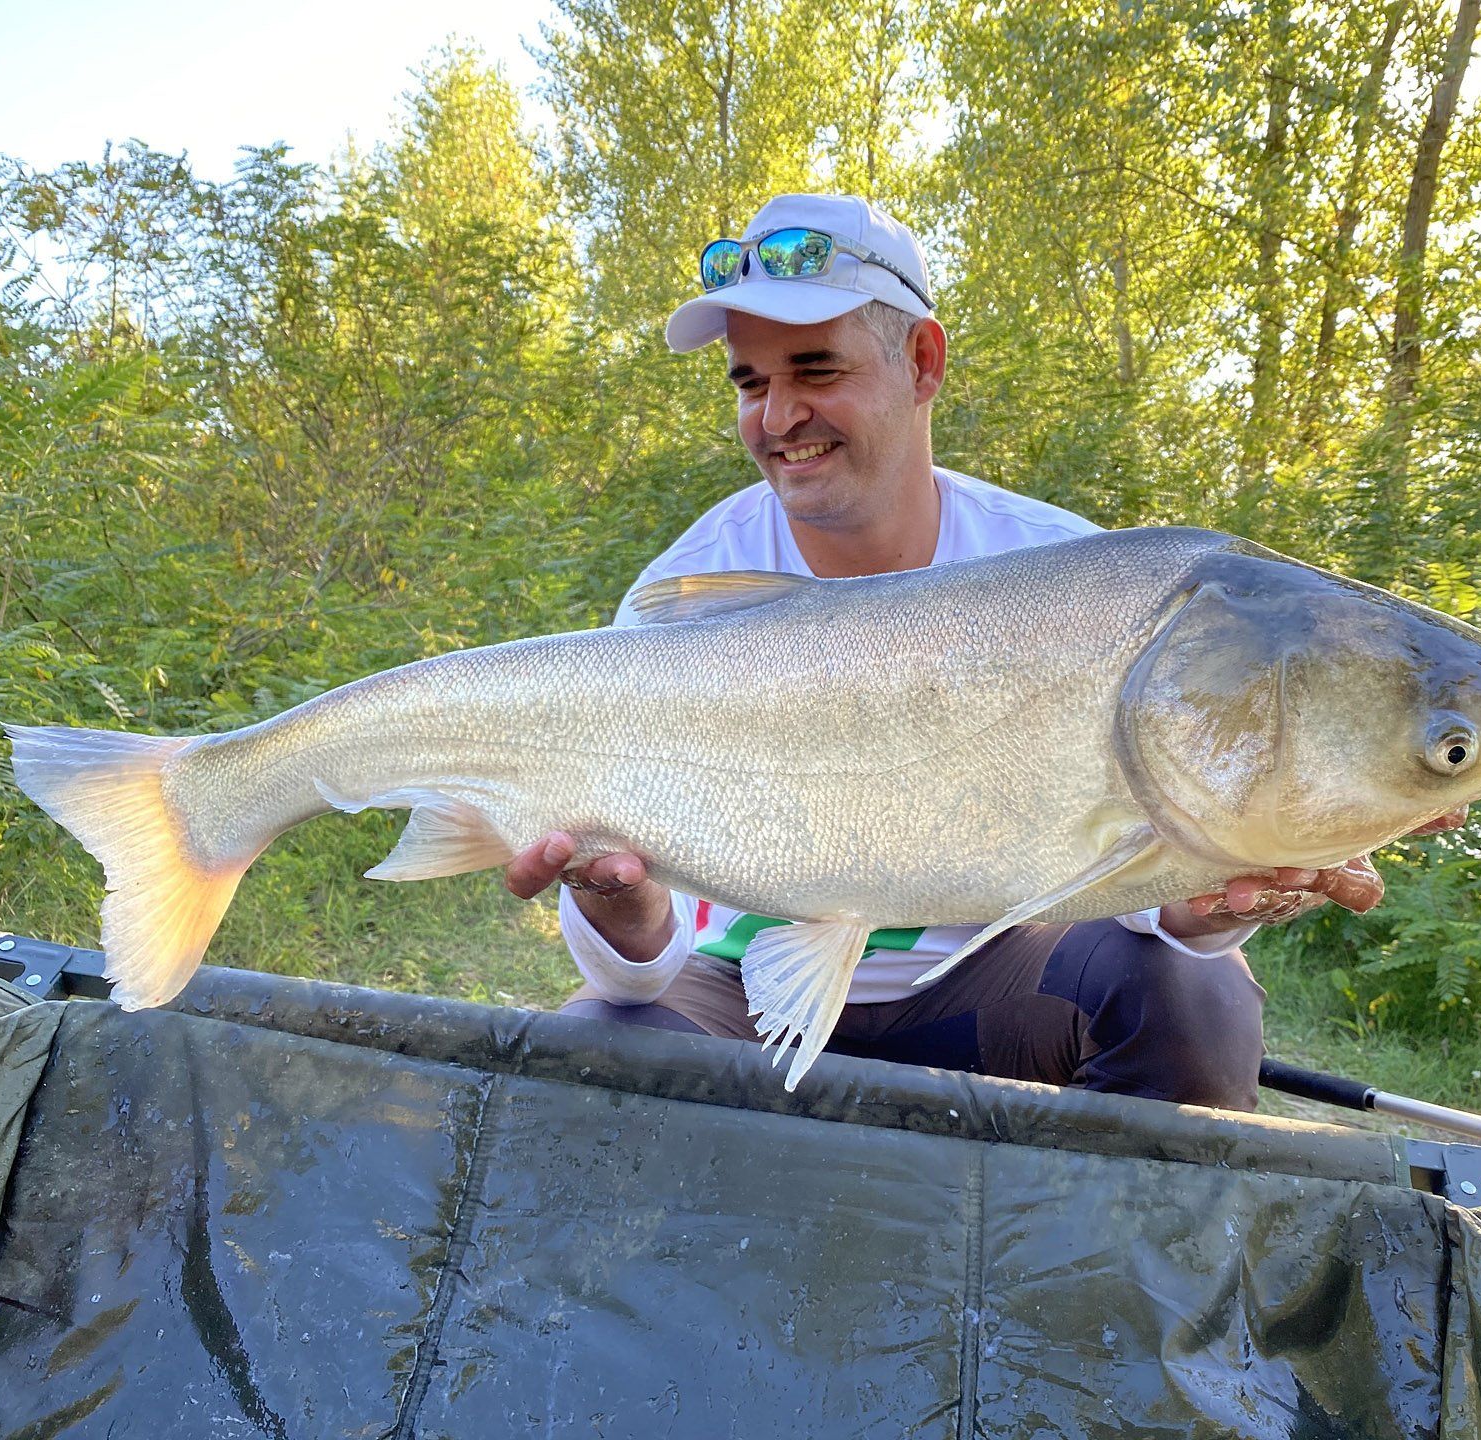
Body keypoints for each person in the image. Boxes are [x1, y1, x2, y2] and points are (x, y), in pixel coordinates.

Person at [504, 194, 1383, 1109]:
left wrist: (1194, 911)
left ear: (922, 363)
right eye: (750, 382)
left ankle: (1109, 1255)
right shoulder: (677, 601)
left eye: (815, 369)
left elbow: (1134, 893)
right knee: (585, 1059)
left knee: (1194, 992)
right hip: (736, 988)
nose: (778, 416)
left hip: (986, 971)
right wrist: (624, 910)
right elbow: (634, 980)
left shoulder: (1070, 576)